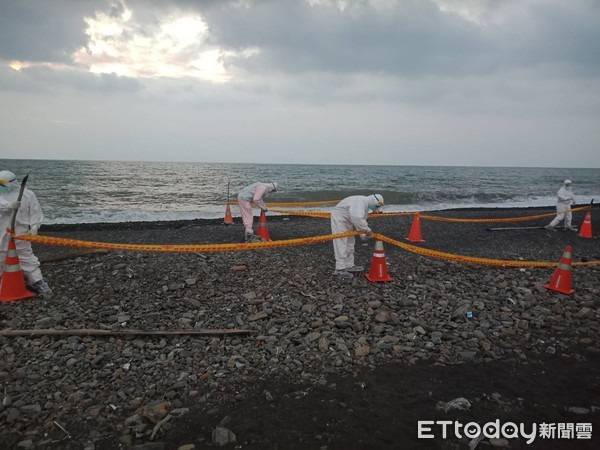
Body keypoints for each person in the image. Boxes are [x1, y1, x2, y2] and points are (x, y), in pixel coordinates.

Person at [0, 170, 52, 297]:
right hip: (1, 233)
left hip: (21, 233)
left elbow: (35, 212)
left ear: (12, 183)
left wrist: (34, 227)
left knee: (26, 258)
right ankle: (5, 282)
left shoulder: (27, 195)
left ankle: (37, 282)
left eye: (3, 183)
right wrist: (9, 206)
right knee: (1, 257)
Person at [330, 194, 384, 278]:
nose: (376, 208)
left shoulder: (365, 205)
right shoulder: (360, 202)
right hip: (339, 218)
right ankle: (339, 269)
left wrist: (364, 234)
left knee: (350, 242)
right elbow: (357, 218)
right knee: (341, 241)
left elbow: (361, 221)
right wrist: (367, 230)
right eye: (376, 206)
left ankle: (349, 265)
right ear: (374, 201)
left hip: (347, 219)